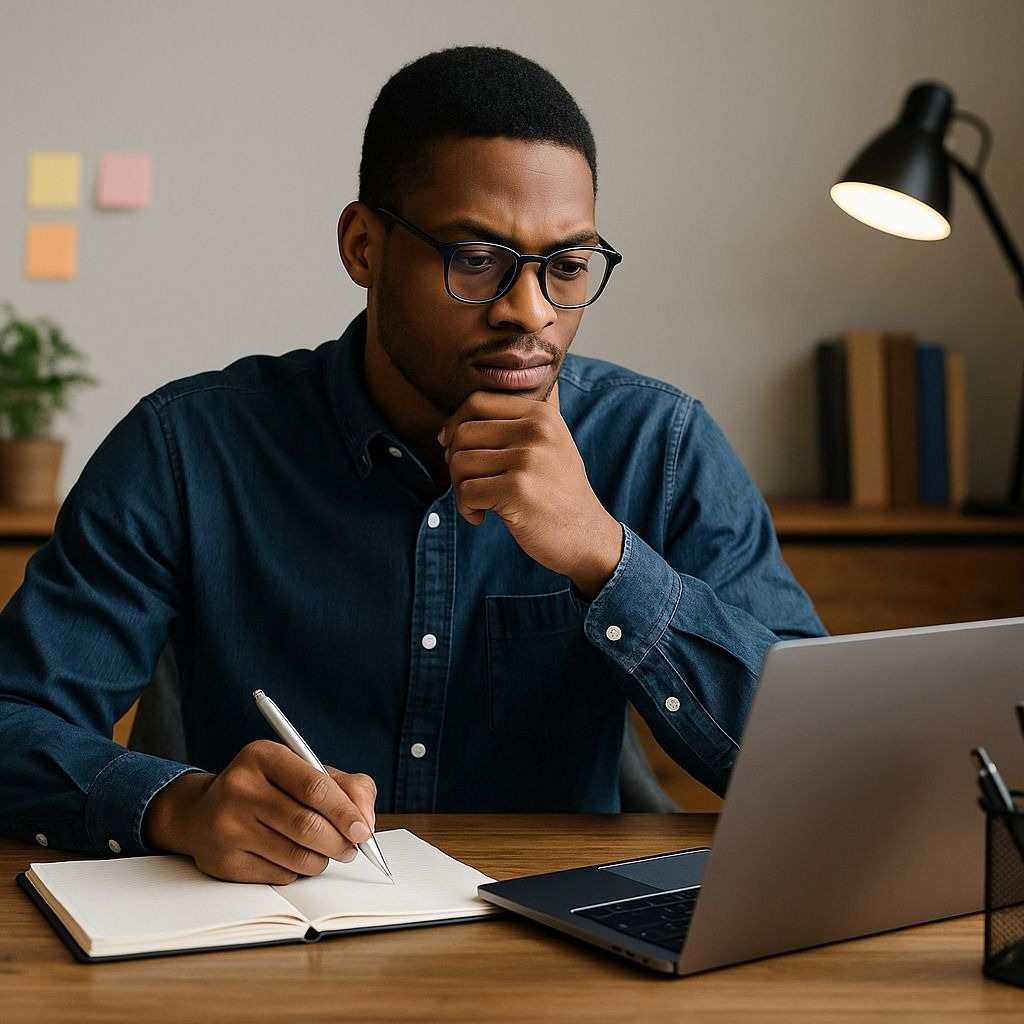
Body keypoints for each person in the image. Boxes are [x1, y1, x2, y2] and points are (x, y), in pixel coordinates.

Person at [0, 46, 823, 884]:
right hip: (272, 951)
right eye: (475, 258)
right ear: (363, 246)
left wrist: (607, 558)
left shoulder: (662, 448)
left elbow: (824, 767)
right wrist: (178, 807)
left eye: (567, 267)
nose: (529, 311)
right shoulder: (186, 450)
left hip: (570, 964)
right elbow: (13, 717)